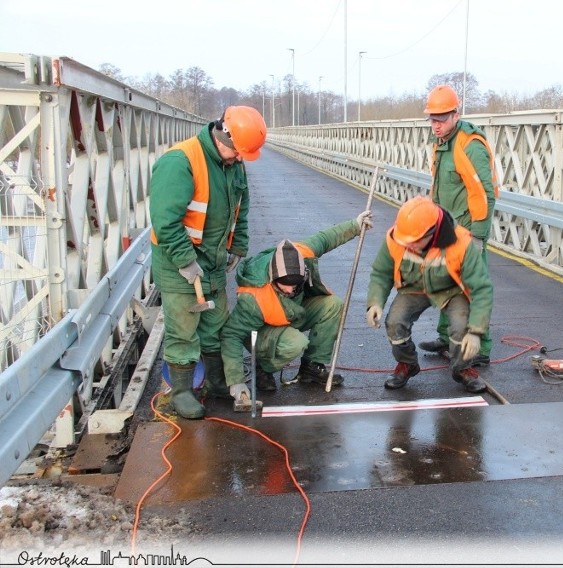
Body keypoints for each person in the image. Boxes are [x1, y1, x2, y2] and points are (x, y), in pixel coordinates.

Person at [150, 105, 267, 419]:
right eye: (238, 152)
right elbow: (165, 222)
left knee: (216, 326)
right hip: (179, 266)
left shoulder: (233, 162)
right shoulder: (180, 162)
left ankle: (216, 382)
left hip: (213, 263)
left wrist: (237, 246)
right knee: (184, 332)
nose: (240, 158)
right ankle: (182, 392)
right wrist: (187, 262)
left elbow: (240, 208)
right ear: (222, 135)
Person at [220, 212, 374, 398]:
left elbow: (326, 238)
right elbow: (231, 335)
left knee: (333, 305)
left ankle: (311, 367)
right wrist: (235, 381)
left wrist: (355, 225)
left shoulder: (300, 255)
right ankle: (263, 368)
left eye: (296, 284)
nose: (290, 289)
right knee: (296, 343)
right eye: (285, 285)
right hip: (264, 330)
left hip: (292, 313)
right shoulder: (253, 297)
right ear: (273, 278)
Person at [366, 196, 493, 394]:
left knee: (462, 329)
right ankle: (407, 364)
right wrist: (375, 302)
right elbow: (382, 273)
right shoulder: (396, 237)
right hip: (414, 288)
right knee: (395, 323)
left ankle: (462, 368)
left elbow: (482, 288)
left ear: (432, 233)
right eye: (405, 241)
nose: (408, 245)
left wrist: (476, 332)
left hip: (452, 290)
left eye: (414, 242)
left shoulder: (462, 242)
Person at [419, 84, 499, 367]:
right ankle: (447, 337)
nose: (436, 125)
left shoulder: (470, 145)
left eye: (442, 118)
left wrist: (478, 235)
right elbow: (439, 189)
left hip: (468, 231)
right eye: (432, 118)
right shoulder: (441, 144)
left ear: (455, 115)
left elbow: (486, 193)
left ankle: (481, 348)